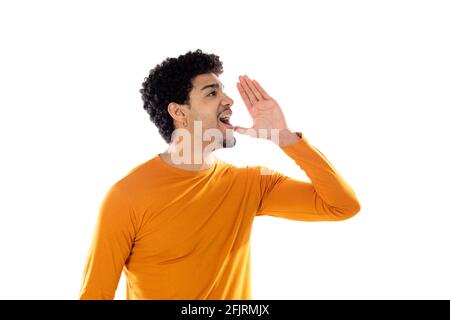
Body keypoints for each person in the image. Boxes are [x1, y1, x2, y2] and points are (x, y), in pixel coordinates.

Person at [79, 49, 361, 300]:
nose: (228, 100)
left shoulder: (253, 184)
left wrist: (284, 137)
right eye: (212, 93)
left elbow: (342, 206)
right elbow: (95, 294)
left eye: (223, 91)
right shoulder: (127, 196)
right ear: (179, 111)